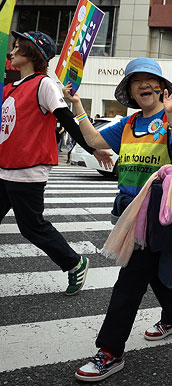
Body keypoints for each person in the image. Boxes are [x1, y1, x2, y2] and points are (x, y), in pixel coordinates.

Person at [70, 57, 172, 381]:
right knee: (154, 271)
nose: (143, 84)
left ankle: (110, 351)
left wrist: (171, 116)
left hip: (160, 217)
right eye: (135, 80)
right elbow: (95, 141)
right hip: (131, 213)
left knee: (129, 281)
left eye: (149, 79)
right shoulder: (128, 125)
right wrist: (77, 106)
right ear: (129, 90)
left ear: (161, 88)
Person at [0, 31, 111, 295]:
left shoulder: (44, 85)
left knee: (32, 228)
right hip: (5, 168)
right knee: (30, 226)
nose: (12, 51)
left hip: (28, 170)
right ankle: (73, 262)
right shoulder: (10, 88)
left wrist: (92, 149)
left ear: (32, 53)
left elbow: (68, 121)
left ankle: (74, 263)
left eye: (17, 47)